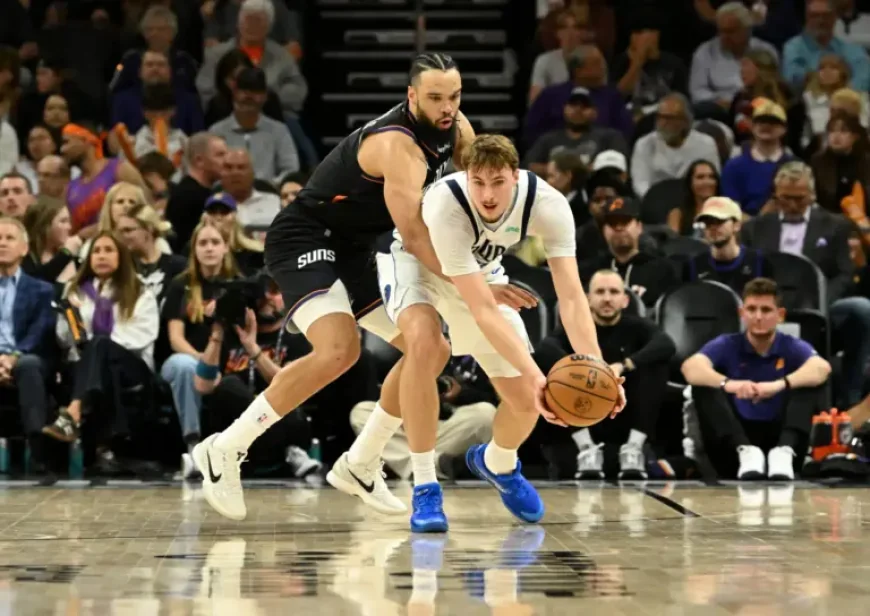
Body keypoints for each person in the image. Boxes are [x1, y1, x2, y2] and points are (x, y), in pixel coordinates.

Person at [193, 53, 502, 522]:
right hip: (305, 237)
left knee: (431, 350)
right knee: (340, 349)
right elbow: (416, 236)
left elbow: (472, 199)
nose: (446, 107)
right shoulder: (398, 146)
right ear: (411, 95)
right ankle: (226, 448)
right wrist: (475, 285)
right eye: (435, 97)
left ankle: (361, 463)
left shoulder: (459, 130)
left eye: (454, 97)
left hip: (354, 246)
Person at [358, 134, 626, 531]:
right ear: (466, 177)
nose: (487, 194)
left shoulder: (548, 205)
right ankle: (425, 486)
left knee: (523, 399)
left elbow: (571, 297)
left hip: (477, 273)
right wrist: (540, 376)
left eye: (497, 182)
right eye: (478, 182)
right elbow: (483, 309)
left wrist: (598, 369)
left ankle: (498, 462)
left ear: (516, 177)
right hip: (416, 265)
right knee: (426, 346)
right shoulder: (448, 205)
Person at [681, 278, 831, 479]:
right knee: (704, 385)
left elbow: (822, 368)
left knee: (810, 381)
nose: (758, 317)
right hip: (734, 448)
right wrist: (730, 384)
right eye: (751, 309)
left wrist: (778, 385)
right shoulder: (727, 343)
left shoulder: (790, 345)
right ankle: (745, 450)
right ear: (742, 314)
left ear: (780, 315)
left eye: (766, 310)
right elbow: (690, 367)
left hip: (781, 443)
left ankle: (784, 450)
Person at [535, 270, 675, 479]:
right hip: (584, 412)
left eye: (614, 292)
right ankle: (587, 449)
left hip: (627, 411)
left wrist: (623, 365)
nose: (607, 298)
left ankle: (633, 449)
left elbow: (666, 344)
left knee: (654, 364)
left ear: (625, 300)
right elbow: (545, 348)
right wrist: (584, 368)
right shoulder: (574, 327)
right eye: (600, 292)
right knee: (554, 371)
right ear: (588, 299)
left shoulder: (637, 326)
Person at [684, 197, 774, 294]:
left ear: (736, 225)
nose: (713, 227)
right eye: (708, 223)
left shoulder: (759, 262)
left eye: (719, 221)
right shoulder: (693, 266)